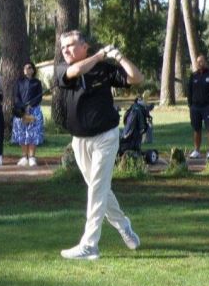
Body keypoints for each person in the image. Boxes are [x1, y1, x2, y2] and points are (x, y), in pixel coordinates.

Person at [56, 30, 145, 260]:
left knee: (96, 188)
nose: (65, 51)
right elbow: (75, 71)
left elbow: (137, 78)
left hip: (105, 137)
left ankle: (90, 245)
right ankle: (123, 225)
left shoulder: (104, 70)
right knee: (101, 189)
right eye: (63, 47)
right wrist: (98, 56)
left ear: (84, 45)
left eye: (70, 46)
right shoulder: (63, 68)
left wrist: (119, 57)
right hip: (79, 141)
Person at [11, 61, 45, 167]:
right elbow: (16, 97)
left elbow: (39, 97)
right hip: (21, 111)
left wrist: (30, 106)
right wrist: (22, 107)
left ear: (33, 70)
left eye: (29, 67)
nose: (27, 69)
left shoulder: (37, 82)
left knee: (33, 133)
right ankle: (24, 157)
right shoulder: (19, 82)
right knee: (22, 133)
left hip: (34, 110)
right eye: (25, 67)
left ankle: (32, 157)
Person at [187, 54, 209, 159]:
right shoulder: (193, 76)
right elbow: (189, 91)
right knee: (196, 129)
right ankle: (196, 150)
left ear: (205, 62)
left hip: (207, 107)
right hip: (195, 107)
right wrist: (190, 105)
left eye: (201, 61)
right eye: (198, 62)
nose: (199, 63)